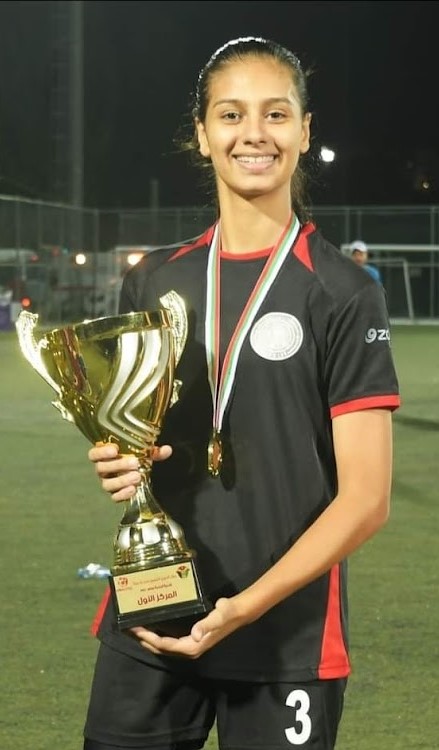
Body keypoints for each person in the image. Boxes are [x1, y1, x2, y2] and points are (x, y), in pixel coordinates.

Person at [83, 37, 400, 750]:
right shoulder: (153, 280)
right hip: (152, 615)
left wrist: (244, 607)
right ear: (202, 134)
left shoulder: (343, 292)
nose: (253, 133)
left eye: (275, 114)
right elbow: (133, 437)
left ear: (304, 131)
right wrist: (119, 460)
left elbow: (366, 499)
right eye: (230, 114)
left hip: (284, 633)